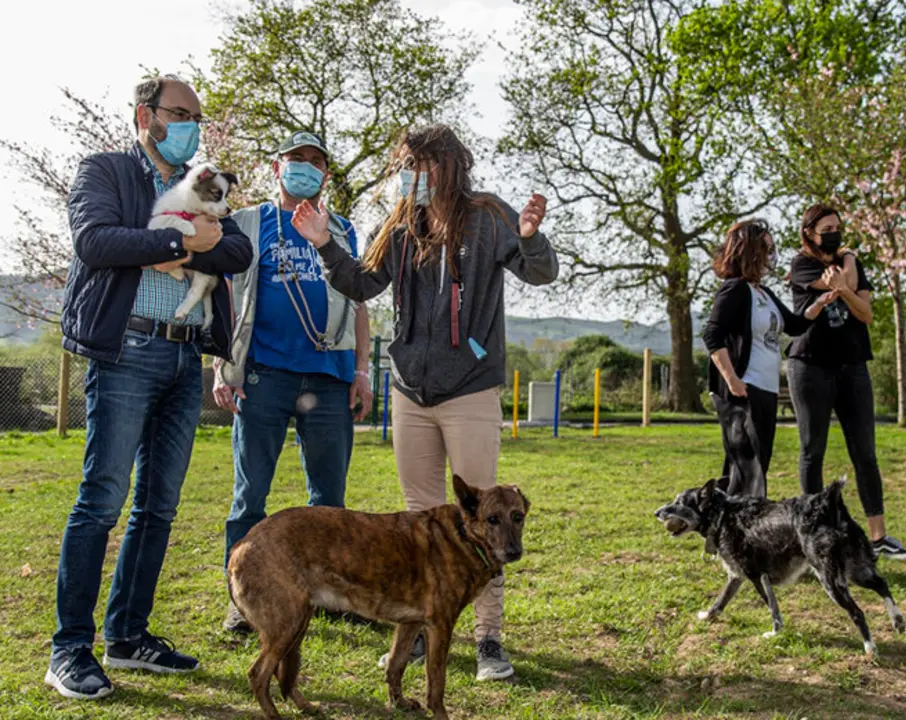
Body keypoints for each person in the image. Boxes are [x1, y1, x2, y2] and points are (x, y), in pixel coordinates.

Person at [295, 124, 558, 681]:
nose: (407, 176)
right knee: (419, 523)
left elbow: (541, 272)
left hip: (470, 390)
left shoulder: (489, 216)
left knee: (484, 520)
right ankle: (413, 634)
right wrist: (324, 243)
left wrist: (531, 235)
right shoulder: (400, 224)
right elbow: (362, 284)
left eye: (418, 165)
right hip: (411, 392)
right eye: (403, 166)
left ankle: (489, 640)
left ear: (445, 166)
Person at [49, 74, 253, 700]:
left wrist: (185, 251)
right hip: (126, 351)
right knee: (102, 501)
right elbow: (96, 241)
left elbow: (238, 251)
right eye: (181, 112)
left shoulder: (204, 183)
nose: (192, 123)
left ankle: (129, 636)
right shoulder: (106, 171)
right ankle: (70, 650)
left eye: (197, 114)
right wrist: (183, 239)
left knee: (159, 507)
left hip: (185, 356)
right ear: (147, 115)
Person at [213, 131, 375, 632]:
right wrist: (224, 366)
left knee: (329, 497)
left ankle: (328, 594)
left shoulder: (343, 229)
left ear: (326, 175)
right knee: (250, 494)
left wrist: (363, 370)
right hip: (264, 374)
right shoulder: (247, 223)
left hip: (329, 376)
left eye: (315, 162)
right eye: (296, 159)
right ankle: (243, 600)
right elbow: (222, 296)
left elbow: (360, 303)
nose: (305, 167)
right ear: (277, 167)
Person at [785, 204, 906, 560]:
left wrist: (846, 280)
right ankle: (815, 535)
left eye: (839, 227)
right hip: (810, 366)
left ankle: (879, 538)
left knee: (866, 454)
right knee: (812, 450)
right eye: (827, 227)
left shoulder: (850, 263)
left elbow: (866, 312)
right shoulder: (802, 264)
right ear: (809, 232)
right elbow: (846, 285)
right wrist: (848, 270)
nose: (835, 232)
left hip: (853, 366)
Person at [702, 218, 836, 497]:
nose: (771, 257)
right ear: (749, 252)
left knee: (758, 467)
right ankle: (728, 531)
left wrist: (819, 304)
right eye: (767, 249)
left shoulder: (763, 292)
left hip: (766, 389)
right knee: (746, 470)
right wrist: (733, 381)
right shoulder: (735, 289)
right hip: (743, 390)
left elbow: (795, 325)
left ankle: (738, 531)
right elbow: (712, 335)